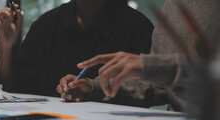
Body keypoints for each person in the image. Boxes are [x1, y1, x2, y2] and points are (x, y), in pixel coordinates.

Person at [58, 0, 220, 111]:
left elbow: (165, 71)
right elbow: (159, 84)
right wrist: (92, 87)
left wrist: (156, 67)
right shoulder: (172, 6)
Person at [0, 0, 154, 97]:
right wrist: (6, 47)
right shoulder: (47, 24)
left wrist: (91, 89)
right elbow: (13, 89)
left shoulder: (138, 27)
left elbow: (146, 92)